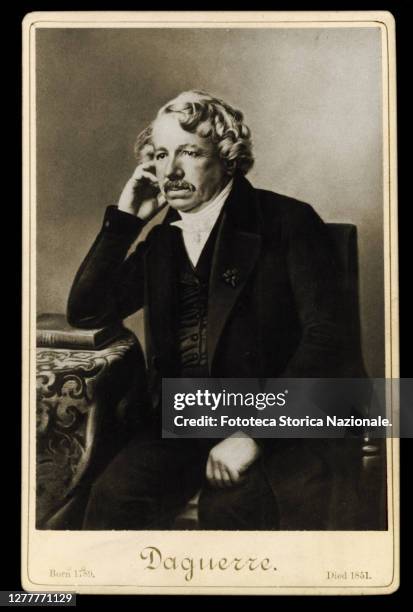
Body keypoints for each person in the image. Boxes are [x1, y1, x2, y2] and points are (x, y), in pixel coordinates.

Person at [67, 90, 346, 530]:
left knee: (233, 511)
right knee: (112, 499)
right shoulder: (163, 239)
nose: (171, 171)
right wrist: (126, 221)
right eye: (161, 155)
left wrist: (255, 434)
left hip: (278, 425)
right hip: (183, 422)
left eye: (189, 152)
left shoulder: (287, 221)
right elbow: (86, 312)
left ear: (228, 157)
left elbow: (328, 339)